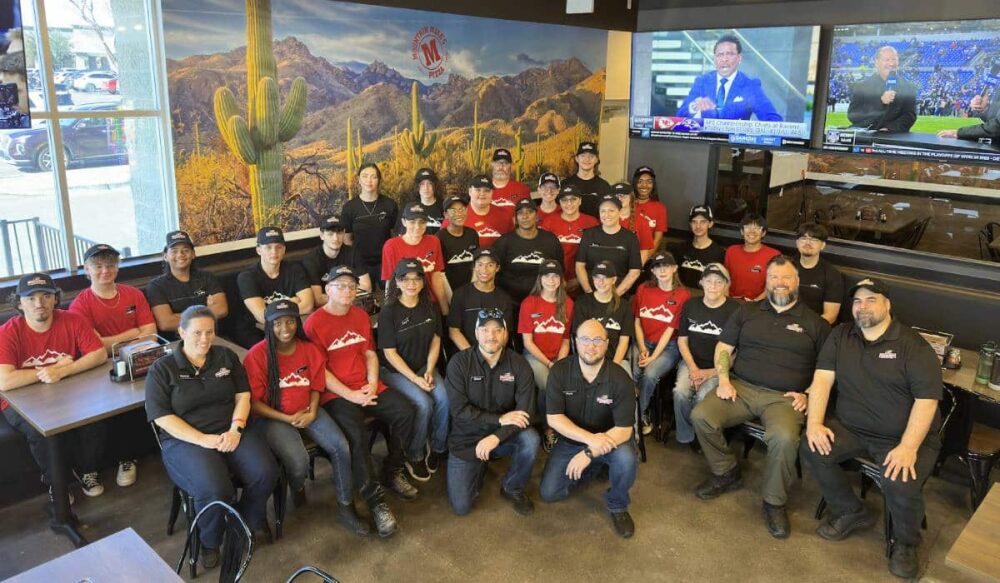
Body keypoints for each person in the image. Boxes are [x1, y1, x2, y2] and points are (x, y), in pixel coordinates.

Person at [800, 278, 942, 579]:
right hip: (852, 427)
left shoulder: (912, 346)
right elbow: (823, 379)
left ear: (887, 305)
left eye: (871, 299)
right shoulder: (841, 335)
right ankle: (851, 510)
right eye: (857, 301)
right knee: (811, 446)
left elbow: (927, 402)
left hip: (905, 436)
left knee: (899, 479)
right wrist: (814, 424)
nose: (862, 306)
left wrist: (907, 448)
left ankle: (906, 543)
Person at [691, 256, 830, 539]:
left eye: (786, 278)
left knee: (784, 438)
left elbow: (827, 371)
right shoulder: (747, 311)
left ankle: (773, 501)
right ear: (766, 282)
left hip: (783, 398)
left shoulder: (815, 324)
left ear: (797, 282)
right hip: (740, 387)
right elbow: (723, 346)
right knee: (701, 416)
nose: (780, 283)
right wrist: (725, 380)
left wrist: (806, 393)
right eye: (774, 278)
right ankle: (726, 471)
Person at [145, 306, 278, 566]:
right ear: (181, 332)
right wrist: (203, 440)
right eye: (197, 333)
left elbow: (243, 396)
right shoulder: (162, 369)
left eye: (210, 332)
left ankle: (248, 520)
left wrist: (236, 428)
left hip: (231, 430)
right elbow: (163, 418)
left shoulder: (226, 357)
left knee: (265, 471)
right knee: (216, 489)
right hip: (185, 440)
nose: (204, 339)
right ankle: (210, 540)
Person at [304, 266, 421, 537]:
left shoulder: (359, 315)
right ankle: (375, 501)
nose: (347, 291)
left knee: (406, 412)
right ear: (328, 290)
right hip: (336, 394)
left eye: (351, 286)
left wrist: (370, 382)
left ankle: (392, 471)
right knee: (356, 436)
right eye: (340, 285)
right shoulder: (314, 323)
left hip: (367, 385)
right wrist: (351, 394)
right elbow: (319, 370)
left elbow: (369, 353)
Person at [244, 301, 368, 536]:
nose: (285, 328)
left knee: (341, 447)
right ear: (268, 326)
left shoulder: (308, 349)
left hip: (307, 409)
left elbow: (315, 384)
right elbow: (255, 403)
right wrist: (286, 418)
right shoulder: (257, 356)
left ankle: (345, 506)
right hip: (273, 417)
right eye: (277, 323)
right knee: (298, 461)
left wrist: (312, 410)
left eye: (290, 321)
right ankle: (297, 485)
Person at [1, 273, 108, 500]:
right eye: (31, 298)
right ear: (19, 303)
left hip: (66, 390)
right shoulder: (8, 331)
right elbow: (5, 381)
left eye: (45, 296)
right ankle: (56, 483)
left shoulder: (72, 320)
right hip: (20, 400)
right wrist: (48, 372)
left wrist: (62, 370)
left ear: (55, 299)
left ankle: (87, 470)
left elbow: (98, 354)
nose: (39, 304)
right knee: (41, 432)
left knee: (95, 417)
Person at [539, 318, 639, 539]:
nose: (590, 346)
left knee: (626, 459)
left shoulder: (621, 378)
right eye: (584, 339)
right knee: (549, 492)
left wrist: (589, 451)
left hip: (611, 439)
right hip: (571, 440)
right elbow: (554, 418)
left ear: (606, 344)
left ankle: (618, 504)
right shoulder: (560, 371)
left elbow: (624, 430)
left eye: (597, 340)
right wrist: (588, 442)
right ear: (575, 342)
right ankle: (595, 466)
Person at [445, 308, 539, 516]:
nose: (491, 336)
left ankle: (512, 487)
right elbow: (459, 410)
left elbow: (527, 411)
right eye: (485, 330)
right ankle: (478, 464)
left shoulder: (519, 365)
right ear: (476, 333)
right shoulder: (459, 363)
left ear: (505, 334)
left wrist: (496, 437)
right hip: (466, 438)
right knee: (461, 507)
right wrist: (499, 419)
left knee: (530, 439)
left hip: (503, 435)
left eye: (497, 330)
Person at [378, 259, 450, 478]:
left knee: (444, 399)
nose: (411, 283)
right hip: (395, 372)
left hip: (423, 367)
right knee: (424, 403)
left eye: (417, 278)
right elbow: (390, 353)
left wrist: (429, 370)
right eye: (405, 279)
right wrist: (414, 379)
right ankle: (415, 454)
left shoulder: (430, 306)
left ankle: (438, 448)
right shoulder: (389, 312)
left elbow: (436, 340)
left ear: (423, 281)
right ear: (397, 283)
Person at [673, 264, 738, 452]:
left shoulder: (734, 310)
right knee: (680, 392)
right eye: (708, 281)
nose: (713, 286)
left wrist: (710, 373)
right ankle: (687, 435)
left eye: (719, 282)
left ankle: (702, 436)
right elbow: (682, 341)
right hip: (691, 363)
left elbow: (735, 353)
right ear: (701, 282)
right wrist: (693, 369)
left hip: (719, 368)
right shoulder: (691, 305)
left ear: (726, 285)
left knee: (702, 396)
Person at [518, 259, 573, 450]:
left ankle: (562, 425)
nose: (551, 280)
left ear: (561, 279)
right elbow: (528, 342)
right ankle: (550, 428)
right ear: (540, 279)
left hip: (559, 357)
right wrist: (550, 364)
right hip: (534, 357)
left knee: (563, 384)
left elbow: (566, 340)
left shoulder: (567, 303)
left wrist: (560, 361)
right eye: (547, 276)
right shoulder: (529, 303)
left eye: (555, 276)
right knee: (551, 385)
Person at [632, 252, 690, 435]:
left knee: (649, 374)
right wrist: (642, 348)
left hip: (668, 347)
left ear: (675, 269)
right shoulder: (643, 288)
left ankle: (637, 416)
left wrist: (653, 356)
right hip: (642, 341)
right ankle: (626, 413)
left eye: (667, 266)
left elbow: (670, 331)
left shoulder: (683, 295)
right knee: (632, 372)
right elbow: (637, 321)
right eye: (657, 266)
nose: (662, 270)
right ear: (653, 271)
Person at [70, 244, 156, 356]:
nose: (105, 271)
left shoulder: (135, 294)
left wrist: (119, 347)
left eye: (110, 265)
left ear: (117, 267)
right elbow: (96, 347)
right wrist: (132, 334)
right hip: (104, 363)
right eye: (98, 266)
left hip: (142, 355)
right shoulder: (79, 305)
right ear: (87, 268)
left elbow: (152, 334)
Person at [234, 227, 313, 348]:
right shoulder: (247, 277)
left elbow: (308, 305)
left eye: (278, 247)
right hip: (255, 329)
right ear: (259, 250)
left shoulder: (295, 270)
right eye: (268, 247)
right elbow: (262, 317)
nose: (274, 252)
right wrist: (290, 302)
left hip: (289, 327)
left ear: (284, 249)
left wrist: (273, 310)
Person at [677, 35, 782, 122]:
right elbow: (680, 116)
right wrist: (695, 106)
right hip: (705, 142)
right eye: (720, 55)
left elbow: (773, 120)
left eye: (730, 54)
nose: (724, 59)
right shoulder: (702, 81)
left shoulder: (750, 85)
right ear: (715, 59)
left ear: (739, 58)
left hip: (733, 144)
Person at [146, 231, 228, 341]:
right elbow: (166, 323)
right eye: (174, 251)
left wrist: (177, 316)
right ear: (165, 256)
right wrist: (207, 310)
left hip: (210, 337)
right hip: (177, 341)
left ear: (193, 254)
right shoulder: (156, 286)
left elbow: (222, 310)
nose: (180, 255)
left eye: (185, 250)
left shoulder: (207, 278)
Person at [492, 198, 563, 305]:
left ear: (537, 216)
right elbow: (494, 273)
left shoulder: (550, 240)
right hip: (511, 303)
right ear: (515, 218)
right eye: (520, 213)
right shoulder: (504, 242)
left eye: (529, 212)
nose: (525, 216)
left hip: (544, 302)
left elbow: (559, 270)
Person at [381, 203, 449, 316]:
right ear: (404, 222)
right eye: (412, 222)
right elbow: (390, 280)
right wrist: (389, 311)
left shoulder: (434, 241)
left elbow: (436, 276)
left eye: (421, 222)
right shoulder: (391, 245)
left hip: (429, 302)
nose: (417, 227)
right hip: (403, 305)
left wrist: (444, 307)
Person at [341, 163, 399, 286]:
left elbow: (396, 235)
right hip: (360, 263)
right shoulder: (349, 208)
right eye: (365, 176)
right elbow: (347, 240)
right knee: (365, 300)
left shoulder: (390, 205)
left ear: (379, 180)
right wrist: (355, 260)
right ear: (359, 180)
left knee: (391, 296)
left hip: (386, 261)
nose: (369, 180)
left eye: (374, 176)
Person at [447, 248, 516, 351]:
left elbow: (504, 333)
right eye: (480, 264)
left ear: (497, 268)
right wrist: (474, 356)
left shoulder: (504, 298)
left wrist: (492, 354)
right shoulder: (460, 294)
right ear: (474, 267)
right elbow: (454, 331)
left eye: (490, 265)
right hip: (466, 354)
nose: (484, 269)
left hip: (494, 353)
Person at [571, 261, 633, 372]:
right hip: (588, 359)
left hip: (615, 360)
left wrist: (614, 367)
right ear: (593, 279)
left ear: (614, 280)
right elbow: (579, 339)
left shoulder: (624, 306)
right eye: (597, 278)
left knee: (627, 386)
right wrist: (589, 363)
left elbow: (624, 341)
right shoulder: (582, 302)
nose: (601, 282)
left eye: (605, 277)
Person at [575, 194, 642, 296]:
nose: (607, 214)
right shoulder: (589, 234)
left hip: (618, 294)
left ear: (619, 212)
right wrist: (589, 293)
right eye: (603, 211)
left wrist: (615, 296)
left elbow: (635, 271)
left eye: (611, 210)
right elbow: (579, 265)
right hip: (590, 293)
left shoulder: (630, 238)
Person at [301, 215, 372, 307]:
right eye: (330, 234)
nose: (335, 238)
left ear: (344, 233)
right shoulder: (311, 259)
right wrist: (347, 293)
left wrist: (336, 294)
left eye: (339, 233)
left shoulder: (353, 253)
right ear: (322, 235)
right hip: (326, 309)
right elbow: (318, 300)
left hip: (351, 305)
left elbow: (367, 287)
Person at [539, 183, 599, 293]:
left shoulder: (592, 222)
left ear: (580, 200)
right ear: (559, 202)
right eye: (564, 200)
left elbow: (596, 256)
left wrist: (579, 280)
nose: (569, 203)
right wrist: (557, 278)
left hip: (584, 281)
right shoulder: (549, 221)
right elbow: (543, 253)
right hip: (554, 281)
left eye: (573, 199)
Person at [846, 46, 917, 133]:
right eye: (887, 60)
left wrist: (889, 128)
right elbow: (852, 115)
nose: (891, 63)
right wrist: (880, 102)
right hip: (866, 136)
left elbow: (910, 116)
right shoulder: (862, 86)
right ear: (876, 62)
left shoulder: (908, 87)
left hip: (892, 136)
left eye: (894, 59)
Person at [794, 223, 844, 325]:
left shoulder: (832, 274)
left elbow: (830, 316)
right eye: (804, 238)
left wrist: (803, 327)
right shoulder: (786, 267)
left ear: (823, 245)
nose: (808, 243)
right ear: (797, 243)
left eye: (814, 239)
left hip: (814, 327)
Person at [723, 213, 781, 301]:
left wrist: (754, 303)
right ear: (742, 231)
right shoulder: (731, 251)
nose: (752, 231)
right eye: (747, 227)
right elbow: (725, 280)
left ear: (763, 233)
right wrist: (727, 301)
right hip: (732, 302)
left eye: (757, 228)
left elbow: (774, 285)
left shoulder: (773, 255)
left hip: (759, 305)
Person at [447, 174, 513, 249]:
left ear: (492, 193)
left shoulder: (504, 216)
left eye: (487, 190)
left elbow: (512, 244)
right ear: (470, 191)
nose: (482, 194)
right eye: (478, 190)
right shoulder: (454, 216)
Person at [436, 195, 480, 298]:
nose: (459, 213)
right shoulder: (439, 237)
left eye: (462, 209)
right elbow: (440, 274)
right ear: (446, 214)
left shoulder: (472, 234)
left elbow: (476, 265)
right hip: (449, 292)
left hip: (470, 291)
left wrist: (472, 291)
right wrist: (450, 300)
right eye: (453, 210)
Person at [676, 205, 727, 289]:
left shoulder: (719, 253)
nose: (698, 226)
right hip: (682, 296)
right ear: (690, 224)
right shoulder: (680, 248)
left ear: (710, 224)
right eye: (694, 222)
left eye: (703, 222)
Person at [561, 142, 612, 218]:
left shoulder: (604, 186)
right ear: (577, 159)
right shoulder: (565, 184)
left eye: (591, 156)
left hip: (596, 228)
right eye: (583, 156)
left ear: (596, 160)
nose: (587, 159)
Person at [613, 182, 655, 266]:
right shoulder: (606, 219)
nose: (620, 198)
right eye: (617, 196)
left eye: (624, 195)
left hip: (630, 269)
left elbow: (644, 251)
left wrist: (635, 271)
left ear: (631, 197)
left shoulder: (642, 221)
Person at [632, 166, 668, 252]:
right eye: (640, 182)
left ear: (653, 185)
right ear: (634, 183)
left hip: (646, 256)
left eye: (649, 182)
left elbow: (657, 240)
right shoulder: (627, 204)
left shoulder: (660, 208)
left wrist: (643, 260)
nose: (644, 185)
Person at [403, 167, 445, 235]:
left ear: (435, 186)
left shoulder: (444, 206)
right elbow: (402, 235)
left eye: (430, 183)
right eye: (422, 184)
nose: (426, 188)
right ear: (417, 187)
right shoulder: (409, 208)